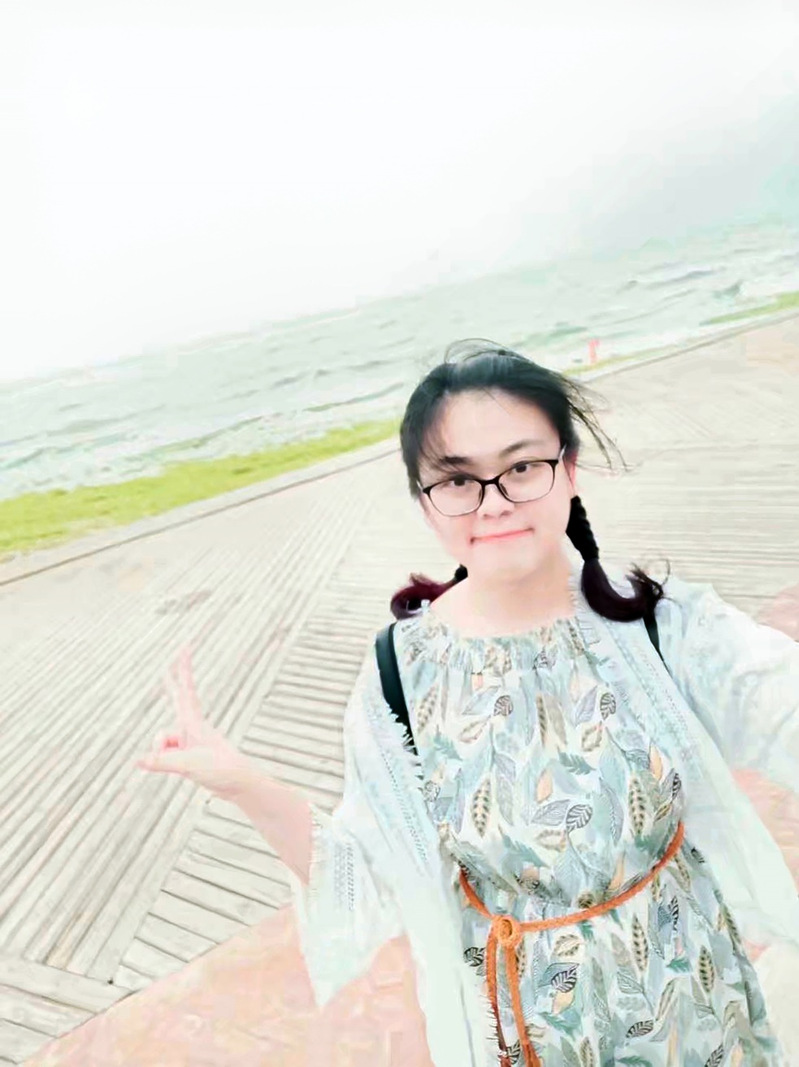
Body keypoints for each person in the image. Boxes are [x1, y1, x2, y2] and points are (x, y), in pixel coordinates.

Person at [138, 340, 799, 1067]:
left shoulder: (653, 625)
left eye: (521, 467)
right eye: (457, 480)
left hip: (701, 1008)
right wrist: (243, 783)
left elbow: (777, 701)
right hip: (537, 1035)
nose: (493, 502)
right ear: (426, 503)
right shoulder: (403, 672)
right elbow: (360, 872)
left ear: (569, 468)